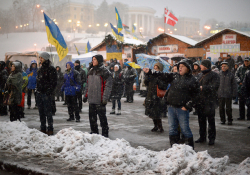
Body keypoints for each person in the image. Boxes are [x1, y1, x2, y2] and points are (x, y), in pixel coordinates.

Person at [144, 59, 200, 149]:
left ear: (188, 68)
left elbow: (197, 95)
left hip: (182, 109)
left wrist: (188, 105)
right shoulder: (174, 76)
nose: (180, 68)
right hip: (171, 107)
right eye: (179, 67)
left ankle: (190, 150)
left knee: (185, 130)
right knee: (172, 129)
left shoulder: (193, 80)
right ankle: (174, 149)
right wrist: (150, 71)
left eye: (182, 67)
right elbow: (162, 74)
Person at [83, 55, 112, 138]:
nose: (93, 61)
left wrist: (105, 98)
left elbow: (108, 86)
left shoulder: (105, 72)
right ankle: (94, 132)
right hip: (91, 100)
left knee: (102, 119)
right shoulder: (90, 71)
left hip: (100, 100)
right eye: (92, 59)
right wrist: (85, 95)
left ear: (99, 60)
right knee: (92, 119)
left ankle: (105, 134)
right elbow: (87, 85)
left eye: (95, 59)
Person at [195, 59, 220, 146]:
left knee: (211, 121)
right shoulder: (200, 75)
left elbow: (215, 87)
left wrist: (203, 88)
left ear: (205, 66)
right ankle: (202, 137)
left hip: (210, 102)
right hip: (200, 102)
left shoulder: (214, 75)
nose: (200, 66)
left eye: (201, 65)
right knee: (201, 121)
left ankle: (211, 138)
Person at [36, 52, 57, 136]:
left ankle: (50, 128)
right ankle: (43, 127)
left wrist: (49, 91)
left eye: (41, 58)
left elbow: (54, 82)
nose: (40, 59)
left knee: (48, 112)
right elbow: (38, 81)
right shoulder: (40, 69)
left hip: (46, 94)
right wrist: (37, 90)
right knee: (41, 112)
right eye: (40, 58)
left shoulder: (51, 69)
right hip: (39, 93)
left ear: (46, 58)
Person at [144, 63, 168, 133]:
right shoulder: (151, 75)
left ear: (160, 69)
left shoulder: (163, 76)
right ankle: (155, 126)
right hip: (150, 96)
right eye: (154, 68)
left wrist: (158, 80)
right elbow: (146, 83)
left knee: (157, 113)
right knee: (152, 113)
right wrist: (147, 76)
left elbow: (164, 86)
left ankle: (160, 127)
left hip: (158, 97)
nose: (155, 69)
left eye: (156, 68)